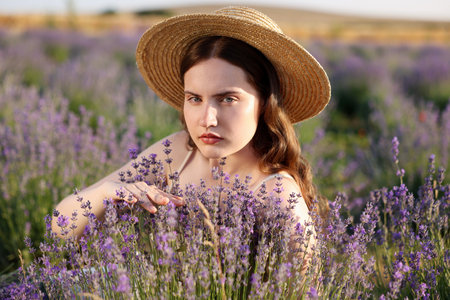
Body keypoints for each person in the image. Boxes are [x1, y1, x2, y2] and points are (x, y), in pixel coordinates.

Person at [52, 6, 330, 241]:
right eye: (195, 98)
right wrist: (109, 193)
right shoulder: (178, 152)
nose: (207, 120)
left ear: (265, 103)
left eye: (228, 99)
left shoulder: (278, 196)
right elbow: (60, 227)